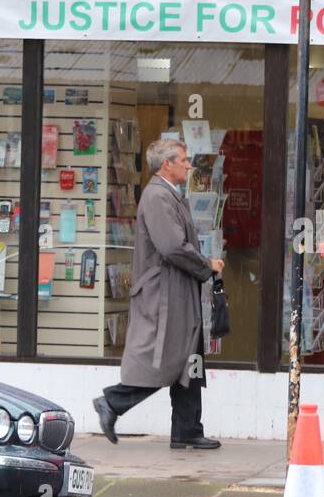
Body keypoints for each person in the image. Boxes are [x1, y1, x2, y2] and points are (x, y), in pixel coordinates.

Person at [93, 138, 225, 449]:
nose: (189, 165)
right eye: (183, 160)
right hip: (165, 296)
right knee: (166, 362)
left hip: (177, 292)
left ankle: (188, 429)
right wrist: (207, 265)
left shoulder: (167, 194)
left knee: (189, 360)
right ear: (167, 163)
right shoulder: (157, 197)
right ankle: (112, 402)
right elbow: (172, 247)